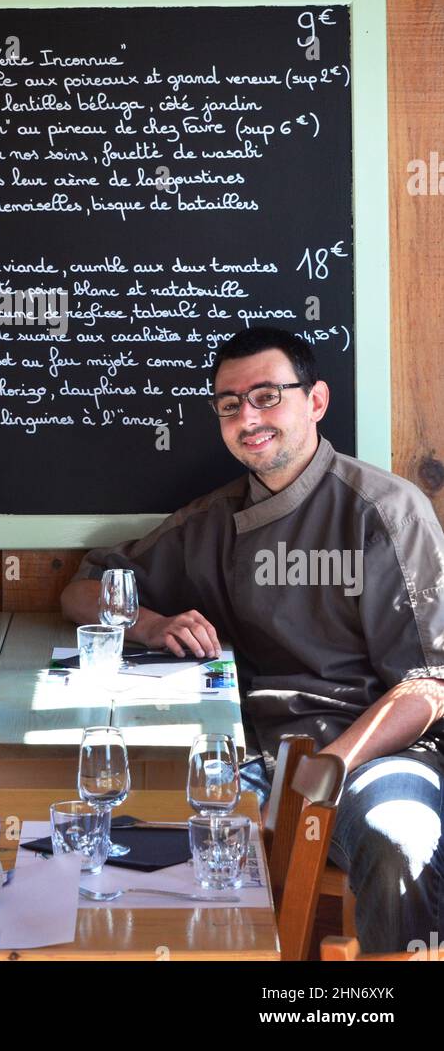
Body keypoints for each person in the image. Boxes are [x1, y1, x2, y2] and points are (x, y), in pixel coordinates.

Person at [61, 326, 444, 953]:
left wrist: (332, 764)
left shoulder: (385, 512)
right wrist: (152, 623)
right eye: (230, 404)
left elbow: (430, 683)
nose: (249, 418)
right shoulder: (209, 520)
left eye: (268, 396)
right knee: (125, 833)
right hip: (250, 754)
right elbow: (81, 590)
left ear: (316, 402)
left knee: (398, 837)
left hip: (375, 755)